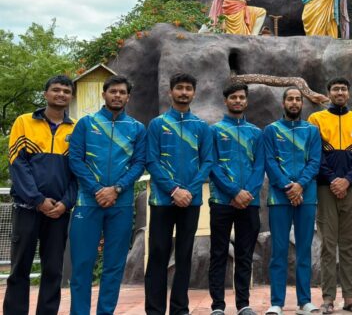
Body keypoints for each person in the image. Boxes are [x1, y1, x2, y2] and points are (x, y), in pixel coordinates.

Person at [68, 75, 147, 315]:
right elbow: (75, 160)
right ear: (104, 94)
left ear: (128, 97)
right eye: (113, 91)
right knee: (82, 265)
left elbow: (139, 163)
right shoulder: (86, 123)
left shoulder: (136, 128)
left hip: (120, 204)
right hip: (87, 202)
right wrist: (97, 189)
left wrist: (117, 189)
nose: (117, 96)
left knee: (114, 266)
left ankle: (106, 312)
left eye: (122, 92)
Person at [4, 75, 77, 315]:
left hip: (59, 212)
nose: (61, 94)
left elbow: (79, 171)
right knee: (20, 268)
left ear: (71, 96)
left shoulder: (76, 129)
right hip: (27, 208)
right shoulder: (24, 122)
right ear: (45, 94)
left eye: (66, 91)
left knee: (54, 270)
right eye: (56, 90)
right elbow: (17, 164)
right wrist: (37, 200)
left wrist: (66, 203)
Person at [144, 72, 214, 315]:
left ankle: (180, 309)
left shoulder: (201, 127)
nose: (184, 92)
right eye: (179, 88)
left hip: (191, 201)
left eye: (188, 88)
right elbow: (151, 161)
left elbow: (207, 162)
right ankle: (154, 310)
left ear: (194, 93)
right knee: (158, 255)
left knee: (184, 255)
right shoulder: (157, 124)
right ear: (170, 91)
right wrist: (174, 190)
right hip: (162, 200)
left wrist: (189, 191)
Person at [307, 78, 352, 314]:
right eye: (336, 89)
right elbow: (314, 155)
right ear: (328, 93)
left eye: (344, 89)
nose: (340, 92)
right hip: (325, 187)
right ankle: (328, 298)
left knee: (349, 244)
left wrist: (347, 180)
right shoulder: (316, 119)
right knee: (328, 245)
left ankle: (350, 298)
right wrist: (333, 179)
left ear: (349, 93)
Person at [208, 82, 265, 315]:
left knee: (244, 254)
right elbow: (211, 165)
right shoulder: (214, 131)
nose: (238, 101)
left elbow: (259, 166)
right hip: (222, 201)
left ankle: (243, 304)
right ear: (225, 100)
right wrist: (234, 192)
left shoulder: (256, 132)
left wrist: (246, 193)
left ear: (247, 100)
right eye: (233, 97)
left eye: (242, 97)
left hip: (249, 202)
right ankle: (217, 306)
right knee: (219, 253)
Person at [263, 88, 322, 315]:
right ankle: (276, 303)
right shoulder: (271, 131)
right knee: (278, 250)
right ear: (283, 102)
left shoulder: (312, 131)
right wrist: (288, 186)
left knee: (304, 250)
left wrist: (300, 185)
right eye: (291, 99)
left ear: (302, 103)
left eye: (298, 99)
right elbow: (269, 162)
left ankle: (304, 301)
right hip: (279, 197)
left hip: (306, 196)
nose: (295, 103)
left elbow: (315, 162)